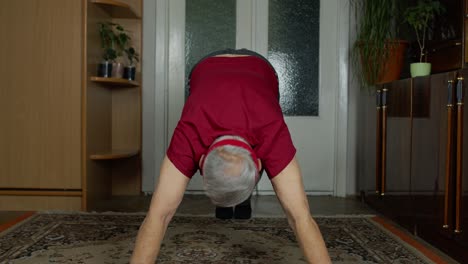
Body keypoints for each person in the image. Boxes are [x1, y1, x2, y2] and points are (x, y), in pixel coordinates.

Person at [130, 49, 331, 263]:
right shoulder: (190, 130)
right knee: (296, 208)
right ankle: (234, 186)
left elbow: (158, 217)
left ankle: (237, 187)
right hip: (207, 67)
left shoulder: (271, 130)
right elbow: (300, 218)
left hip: (258, 71)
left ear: (260, 163)